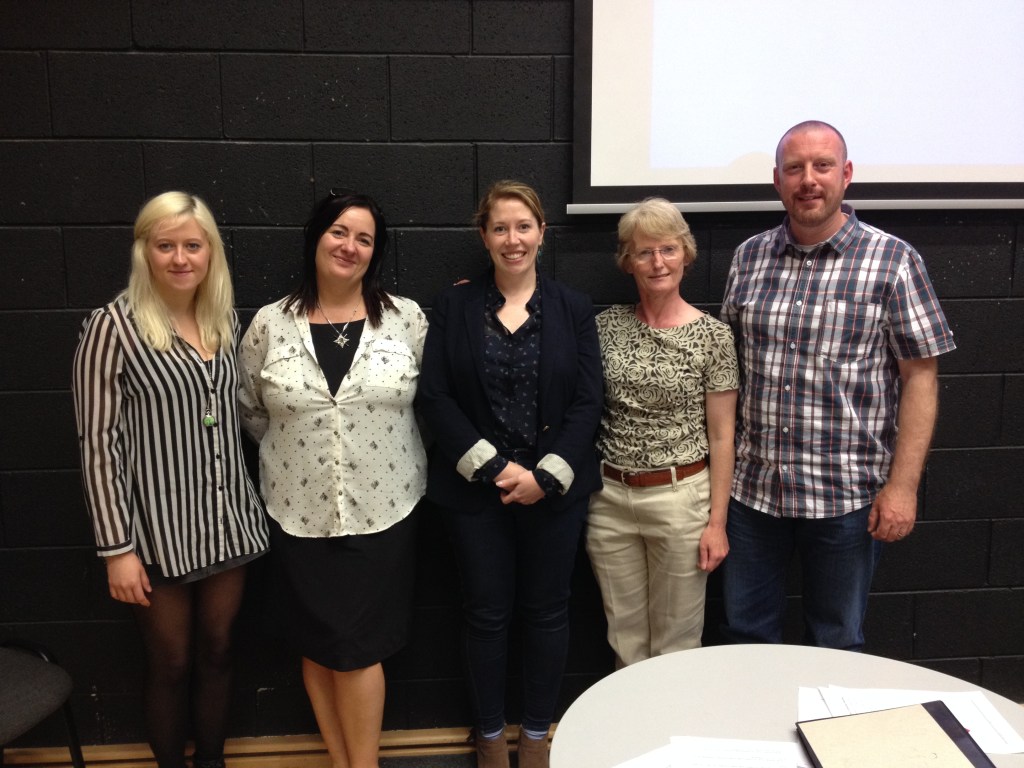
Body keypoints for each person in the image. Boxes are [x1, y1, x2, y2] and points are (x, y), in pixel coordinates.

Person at [719, 120, 957, 650]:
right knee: (744, 637)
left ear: (845, 175)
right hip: (754, 494)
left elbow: (921, 378)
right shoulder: (749, 257)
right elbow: (729, 373)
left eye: (822, 166)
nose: (809, 180)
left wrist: (903, 488)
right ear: (777, 179)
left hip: (847, 498)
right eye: (795, 168)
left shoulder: (892, 261)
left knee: (836, 643)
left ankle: (825, 735)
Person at [72, 191, 269, 768]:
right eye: (166, 245)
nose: (180, 257)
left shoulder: (225, 321)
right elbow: (98, 444)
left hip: (227, 522)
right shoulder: (112, 328)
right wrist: (117, 550)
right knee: (171, 663)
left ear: (210, 252)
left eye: (192, 244)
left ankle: (211, 760)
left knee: (219, 652)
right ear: (145, 252)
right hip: (155, 533)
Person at [237, 190, 426, 768]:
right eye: (339, 232)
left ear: (376, 252)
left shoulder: (406, 319)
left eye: (364, 238)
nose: (350, 246)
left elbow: (429, 404)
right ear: (316, 237)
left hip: (384, 507)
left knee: (356, 650)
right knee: (317, 647)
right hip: (297, 507)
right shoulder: (270, 324)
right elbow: (251, 409)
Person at [417, 180, 603, 768]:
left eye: (523, 226)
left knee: (549, 612)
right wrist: (497, 469)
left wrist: (543, 477)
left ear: (542, 233)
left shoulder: (572, 307)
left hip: (553, 494)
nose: (512, 239)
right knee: (485, 613)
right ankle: (492, 739)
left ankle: (538, 738)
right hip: (476, 494)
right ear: (484, 236)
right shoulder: (454, 305)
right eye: (500, 227)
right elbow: (436, 396)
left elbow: (588, 401)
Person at [587, 198, 739, 667]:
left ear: (686, 256)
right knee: (624, 638)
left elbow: (722, 436)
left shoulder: (714, 336)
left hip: (680, 501)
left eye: (668, 250)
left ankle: (672, 735)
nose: (657, 263)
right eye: (644, 252)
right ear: (627, 261)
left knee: (676, 644)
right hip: (610, 500)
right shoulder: (603, 326)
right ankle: (631, 739)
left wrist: (717, 523)